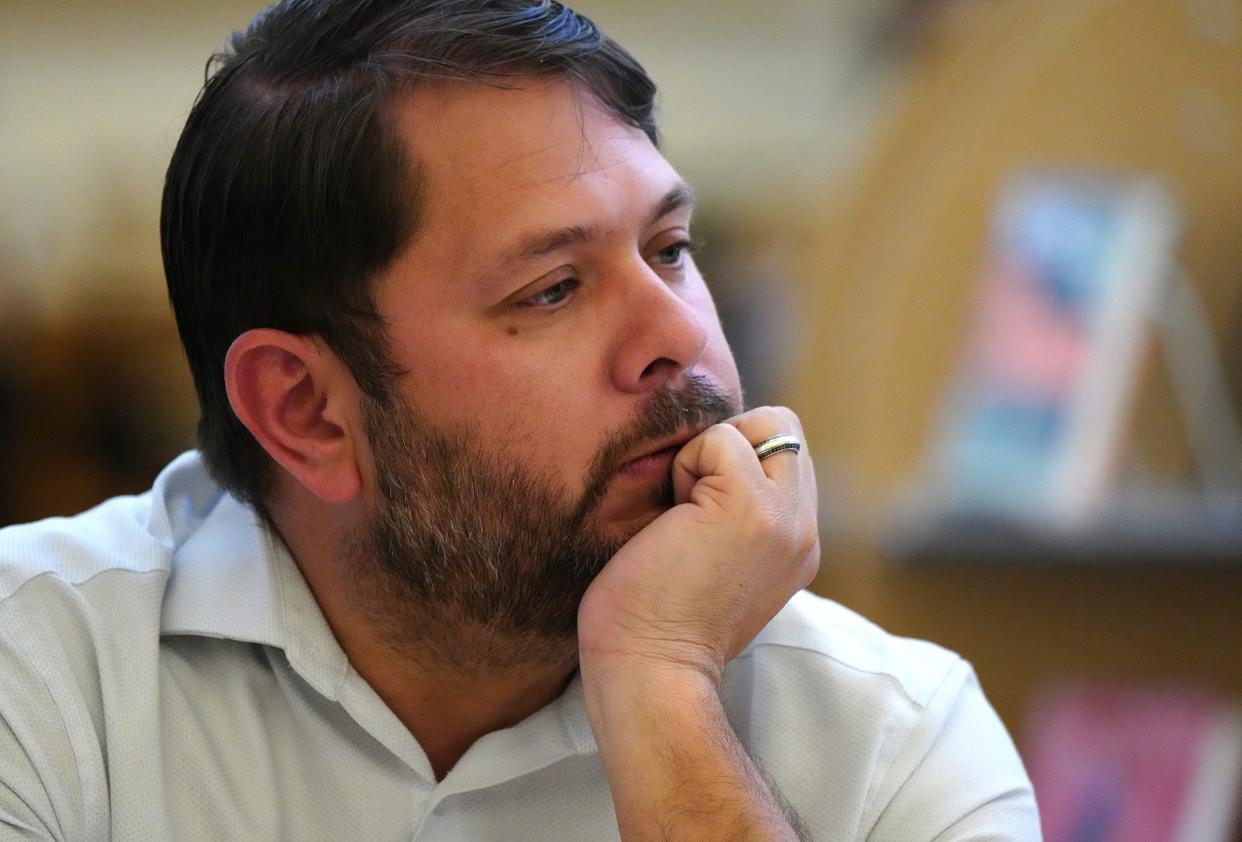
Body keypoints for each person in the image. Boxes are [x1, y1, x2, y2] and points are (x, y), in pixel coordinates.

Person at [0, 1, 1040, 839]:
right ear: (306, 409)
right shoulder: (39, 665)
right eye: (551, 289)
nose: (674, 335)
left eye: (672, 247)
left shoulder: (895, 734)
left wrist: (662, 682)